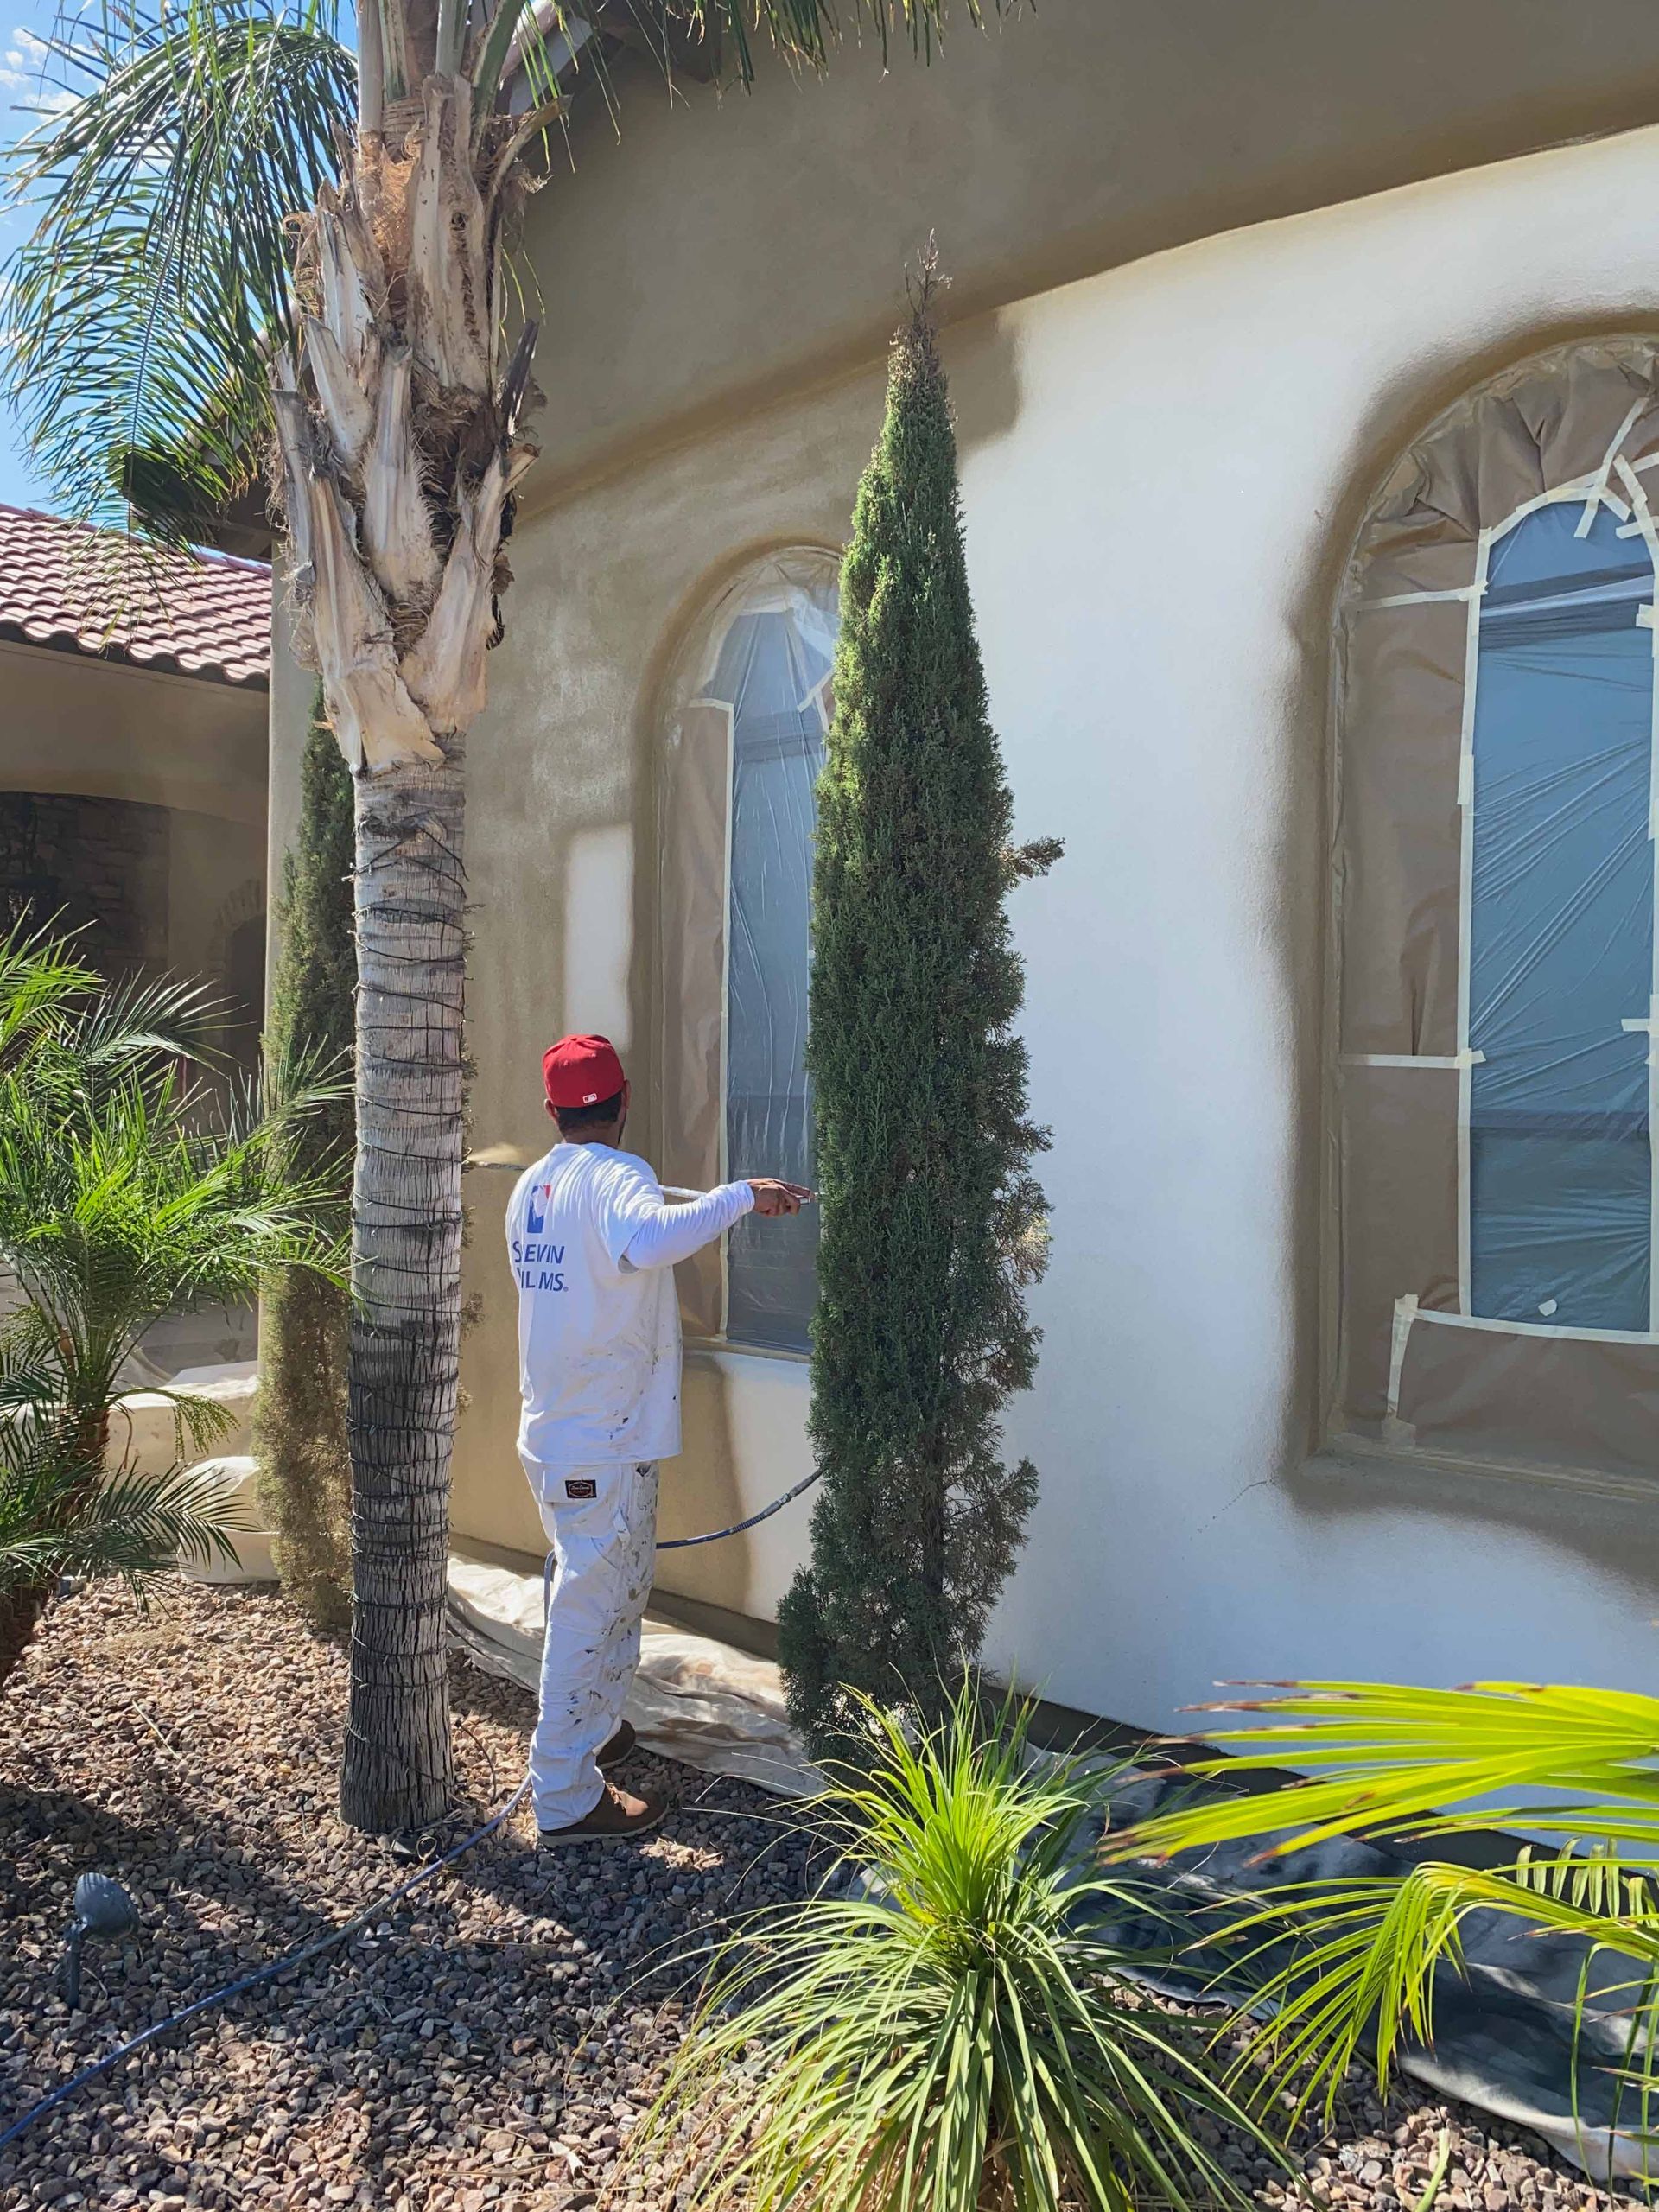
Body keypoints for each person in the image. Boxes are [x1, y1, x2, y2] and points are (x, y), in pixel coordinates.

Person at [507, 1033, 811, 1845]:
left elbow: (614, 1248)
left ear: (552, 1109)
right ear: (624, 1101)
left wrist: (730, 1194)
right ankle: (564, 1793)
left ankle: (599, 1728)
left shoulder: (534, 1187)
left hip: (563, 1433)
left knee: (616, 1582)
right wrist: (742, 1195)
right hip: (596, 1441)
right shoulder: (617, 1176)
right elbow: (646, 1240)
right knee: (587, 1604)